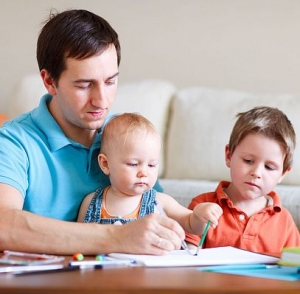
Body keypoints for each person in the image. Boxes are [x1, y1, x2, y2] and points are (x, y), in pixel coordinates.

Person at [0, 9, 185, 255]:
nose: (101, 101)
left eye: (110, 82)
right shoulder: (13, 141)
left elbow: (156, 215)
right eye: (85, 85)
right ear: (49, 81)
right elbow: (3, 225)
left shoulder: (125, 136)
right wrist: (115, 236)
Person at [77, 113, 222, 246]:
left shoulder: (159, 201)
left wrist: (199, 215)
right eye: (133, 164)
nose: (143, 173)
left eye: (152, 165)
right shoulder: (92, 202)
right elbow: (80, 240)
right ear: (105, 164)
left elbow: (191, 224)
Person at [185, 106, 300, 257]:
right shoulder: (202, 206)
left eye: (269, 167)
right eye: (248, 160)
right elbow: (186, 259)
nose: (257, 173)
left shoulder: (284, 221)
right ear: (229, 155)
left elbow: (293, 268)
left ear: (282, 174)